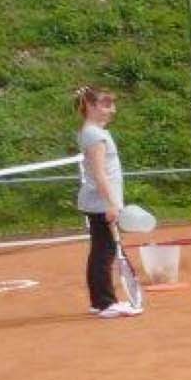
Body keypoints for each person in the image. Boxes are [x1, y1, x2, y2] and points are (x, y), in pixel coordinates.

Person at [75, 85, 140, 318]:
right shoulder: (94, 134)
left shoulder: (94, 132)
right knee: (105, 251)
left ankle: (99, 301)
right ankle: (105, 303)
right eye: (106, 104)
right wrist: (111, 203)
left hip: (100, 201)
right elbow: (100, 173)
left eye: (112, 104)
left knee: (101, 250)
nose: (112, 110)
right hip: (101, 202)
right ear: (91, 106)